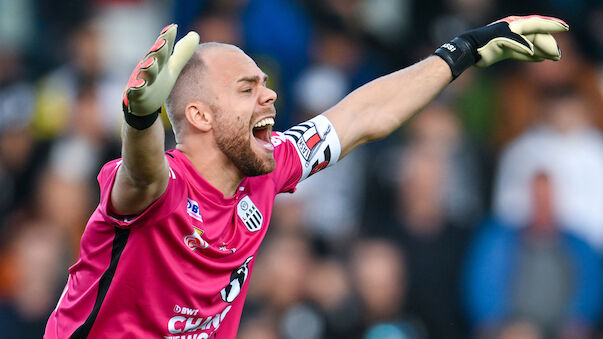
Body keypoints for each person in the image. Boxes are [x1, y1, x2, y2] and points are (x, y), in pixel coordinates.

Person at [44, 16, 568, 338]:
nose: (270, 96)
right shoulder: (158, 187)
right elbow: (143, 170)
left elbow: (363, 115)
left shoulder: (265, 172)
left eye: (266, 84)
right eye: (248, 88)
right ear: (200, 116)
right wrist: (139, 121)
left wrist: (463, 51)